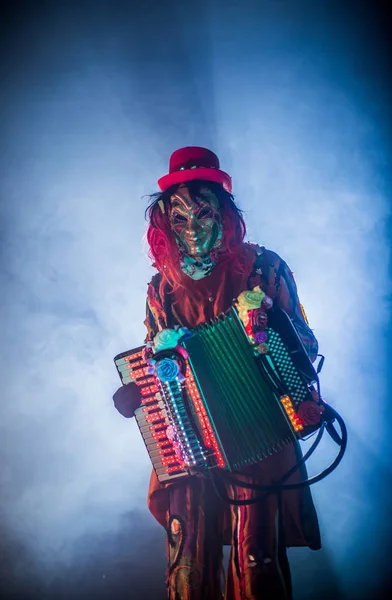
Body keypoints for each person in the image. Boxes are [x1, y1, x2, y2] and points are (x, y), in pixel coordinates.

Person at [113, 147, 321, 600]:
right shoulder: (161, 287)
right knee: (186, 559)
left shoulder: (264, 267)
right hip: (188, 442)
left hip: (258, 433)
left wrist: (271, 334)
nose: (192, 228)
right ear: (165, 224)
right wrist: (136, 392)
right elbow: (154, 364)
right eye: (179, 219)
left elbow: (308, 345)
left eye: (203, 213)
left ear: (224, 213)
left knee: (256, 557)